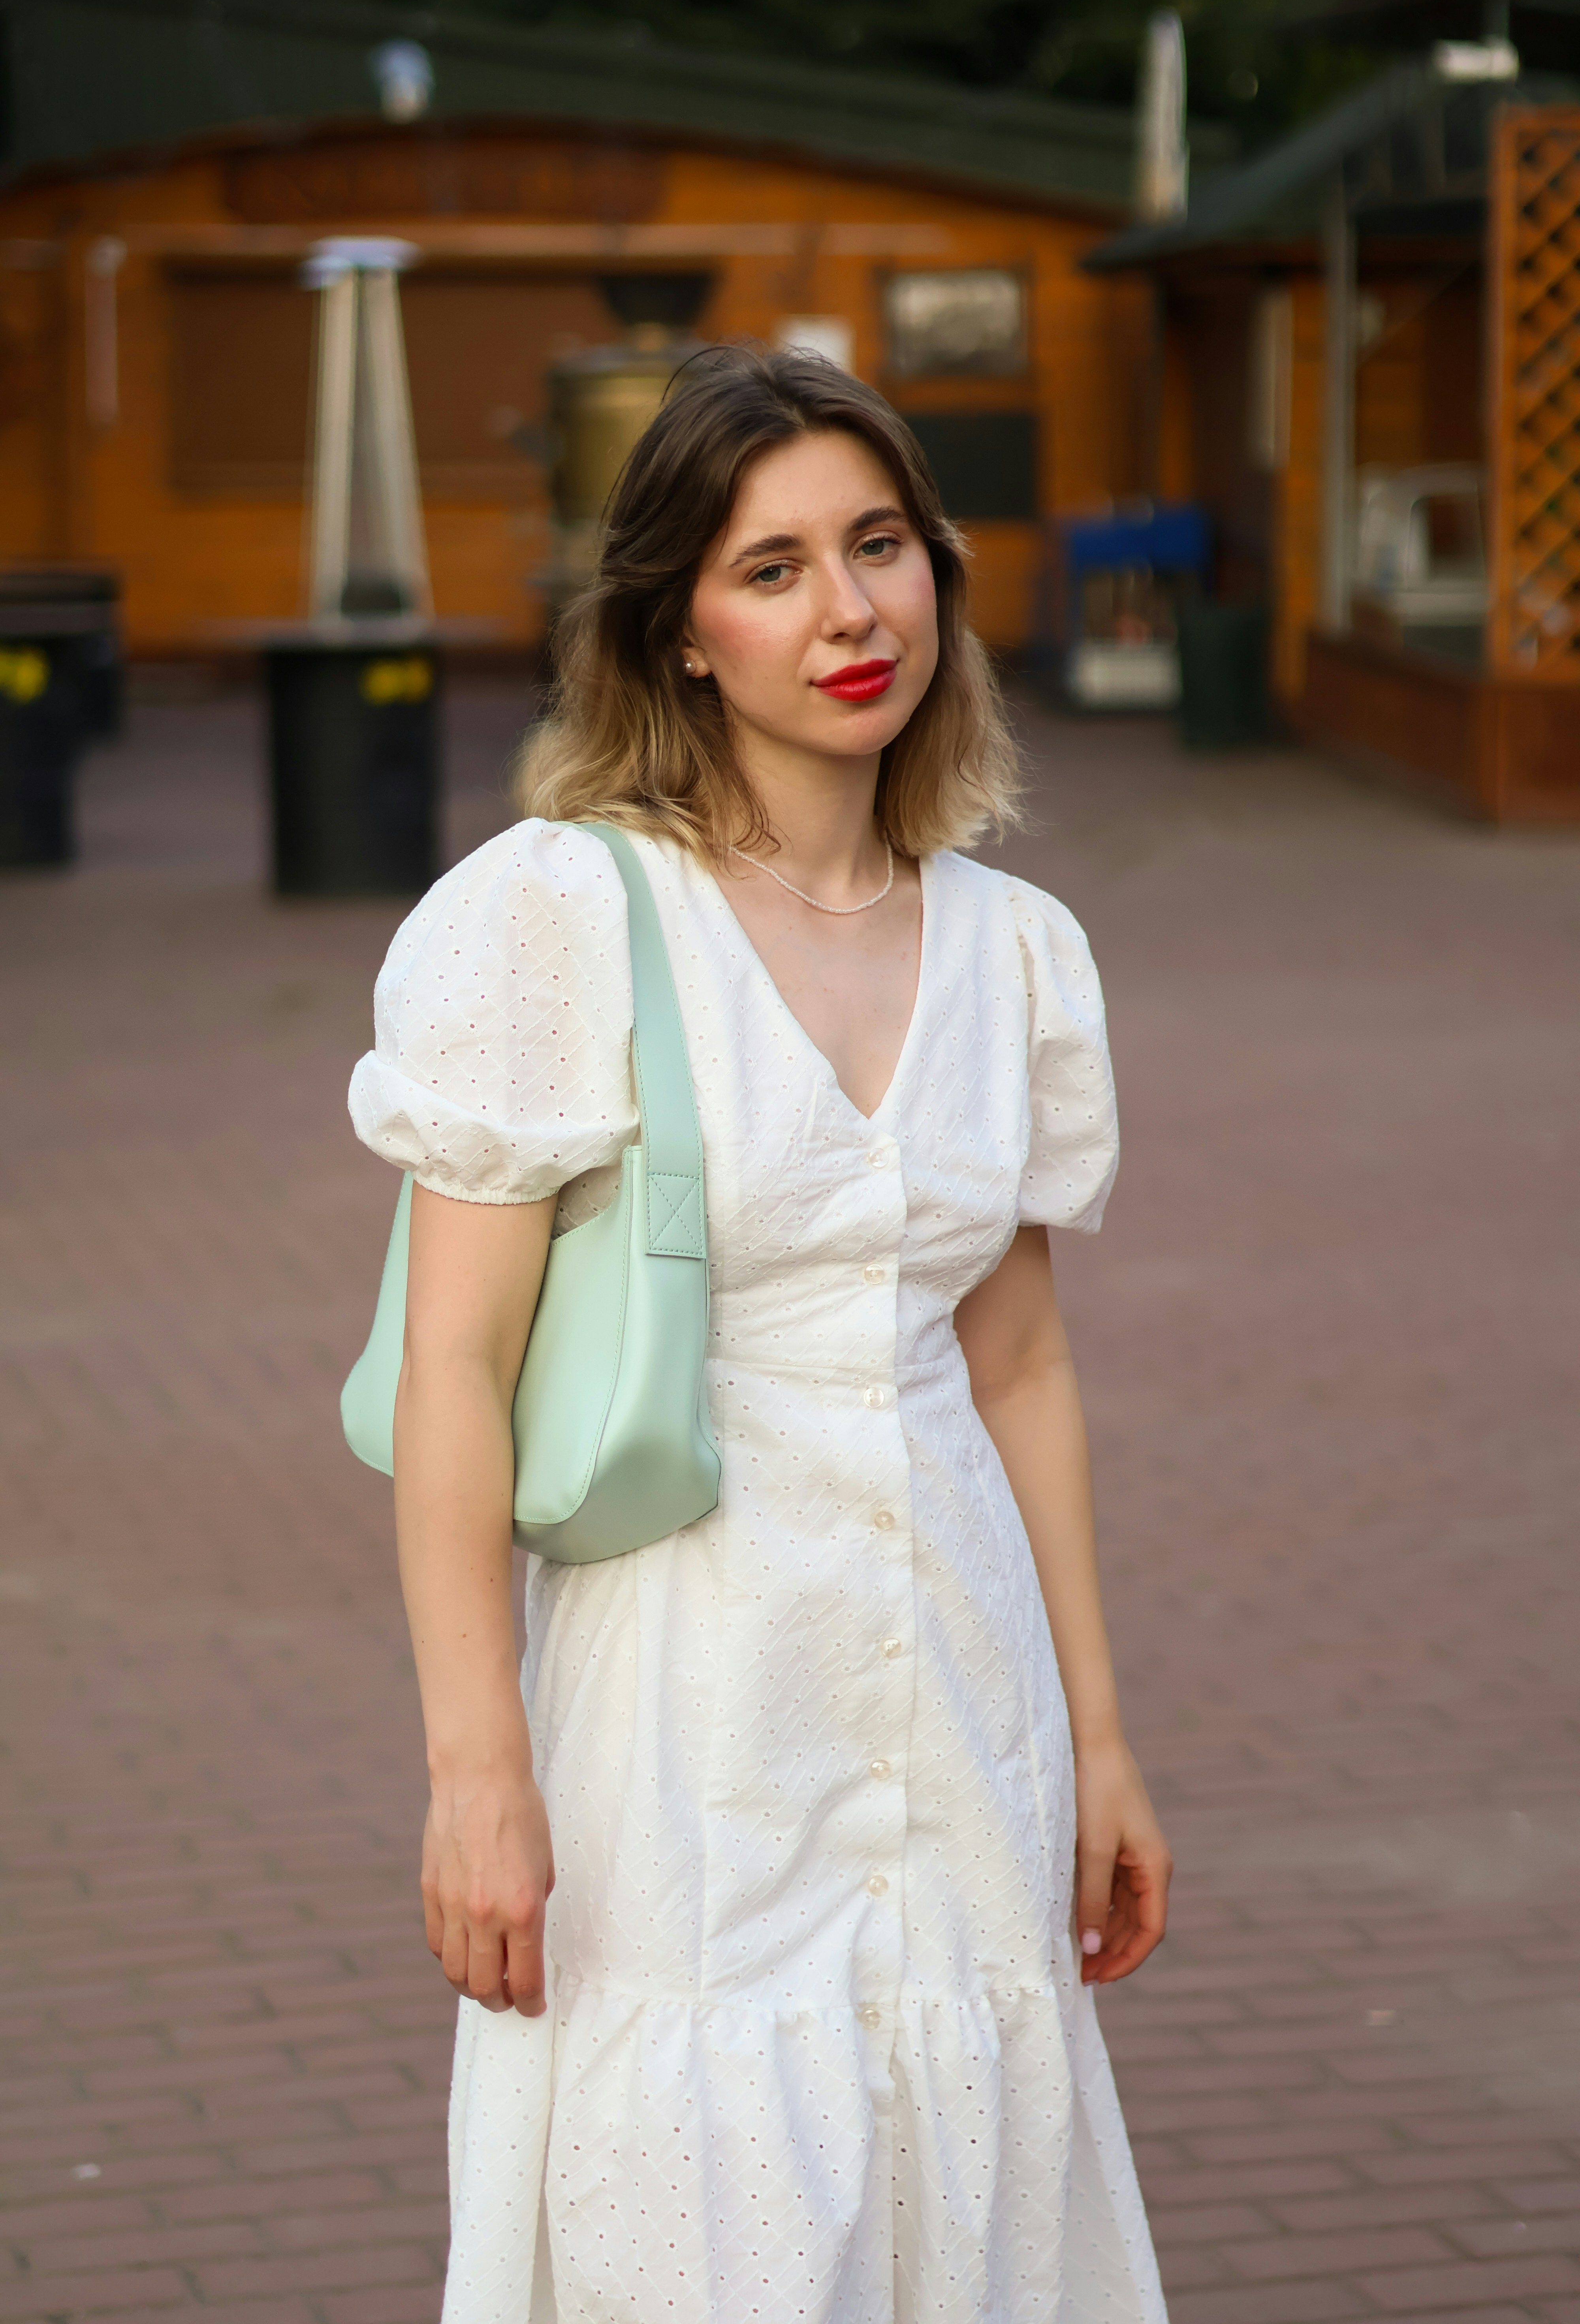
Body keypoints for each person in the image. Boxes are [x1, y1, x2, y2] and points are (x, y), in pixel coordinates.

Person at [349, 345, 1172, 2324]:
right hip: (684, 1689)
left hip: (959, 1679)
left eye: (878, 546)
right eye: (774, 567)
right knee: (702, 2194)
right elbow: (455, 1368)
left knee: (949, 2180)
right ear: (683, 635)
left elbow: (1021, 1364)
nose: (849, 611)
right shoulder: (554, 914)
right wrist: (476, 1773)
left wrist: (1102, 1737)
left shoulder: (1013, 949)